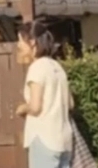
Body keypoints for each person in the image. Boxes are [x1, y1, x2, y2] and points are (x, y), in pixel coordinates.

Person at [16, 19, 73, 168]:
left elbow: (35, 107)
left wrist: (22, 108)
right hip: (64, 140)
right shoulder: (57, 67)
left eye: (20, 40)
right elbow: (70, 103)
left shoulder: (37, 67)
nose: (18, 45)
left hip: (43, 138)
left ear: (32, 42)